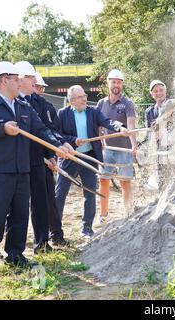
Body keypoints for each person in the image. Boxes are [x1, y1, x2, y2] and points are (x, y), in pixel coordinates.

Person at [0, 61, 70, 275]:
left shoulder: (25, 107)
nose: (20, 82)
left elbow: (42, 130)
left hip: (22, 170)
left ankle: (15, 255)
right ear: (4, 80)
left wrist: (58, 145)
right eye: (16, 79)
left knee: (20, 215)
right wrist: (1, 128)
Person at [56, 85, 127, 237]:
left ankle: (86, 227)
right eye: (81, 97)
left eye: (84, 96)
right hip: (70, 157)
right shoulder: (62, 114)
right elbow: (58, 135)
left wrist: (120, 127)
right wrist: (74, 140)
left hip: (89, 156)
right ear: (72, 100)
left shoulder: (93, 112)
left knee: (90, 193)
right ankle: (55, 229)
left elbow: (107, 121)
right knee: (60, 193)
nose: (84, 99)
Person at [15, 61, 66, 254]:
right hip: (16, 161)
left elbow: (44, 130)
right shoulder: (12, 102)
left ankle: (42, 243)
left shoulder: (37, 103)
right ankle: (9, 249)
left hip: (37, 159)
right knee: (15, 206)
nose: (37, 85)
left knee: (42, 202)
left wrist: (52, 152)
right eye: (32, 80)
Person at [97, 69, 137, 218]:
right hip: (107, 148)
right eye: (113, 82)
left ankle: (128, 214)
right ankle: (103, 215)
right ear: (108, 83)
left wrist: (134, 145)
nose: (116, 85)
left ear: (122, 85)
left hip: (124, 149)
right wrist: (99, 141)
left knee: (125, 182)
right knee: (104, 180)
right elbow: (97, 125)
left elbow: (131, 125)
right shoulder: (101, 103)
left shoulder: (127, 103)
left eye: (119, 82)